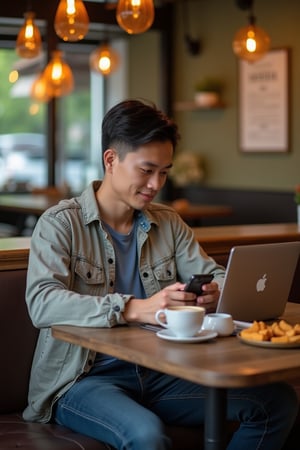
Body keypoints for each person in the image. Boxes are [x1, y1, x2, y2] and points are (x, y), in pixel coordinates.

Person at [23, 99, 298, 450]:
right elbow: (42, 304)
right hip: (83, 378)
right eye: (147, 170)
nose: (156, 184)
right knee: (147, 436)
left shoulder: (168, 222)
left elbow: (214, 273)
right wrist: (134, 308)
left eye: (164, 172)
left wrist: (215, 290)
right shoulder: (60, 224)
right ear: (111, 160)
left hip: (162, 371)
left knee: (275, 402)